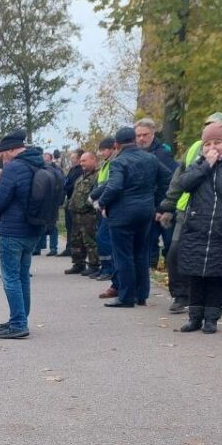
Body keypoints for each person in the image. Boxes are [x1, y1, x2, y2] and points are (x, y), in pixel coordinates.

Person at [158, 111, 222, 311]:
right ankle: (181, 296)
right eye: (207, 127)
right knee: (177, 253)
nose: (209, 134)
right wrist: (167, 207)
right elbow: (179, 181)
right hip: (190, 211)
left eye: (215, 127)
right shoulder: (196, 148)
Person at [97, 126, 169, 308]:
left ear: (116, 144)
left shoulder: (118, 162)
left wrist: (102, 202)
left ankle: (126, 296)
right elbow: (167, 177)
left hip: (122, 214)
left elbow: (114, 187)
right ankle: (142, 294)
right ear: (134, 140)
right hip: (146, 211)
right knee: (141, 253)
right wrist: (158, 201)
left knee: (123, 255)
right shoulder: (151, 158)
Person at [0, 128, 47, 339]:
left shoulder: (14, 168)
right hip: (33, 230)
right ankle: (19, 318)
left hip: (13, 231)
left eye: (2, 154)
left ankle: (19, 323)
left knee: (11, 278)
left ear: (12, 149)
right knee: (23, 276)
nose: (2, 158)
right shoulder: (39, 162)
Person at [134, 118, 179, 268]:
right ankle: (150, 272)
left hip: (163, 208)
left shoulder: (162, 154)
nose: (141, 138)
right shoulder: (135, 154)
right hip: (145, 207)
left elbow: (171, 182)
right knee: (148, 244)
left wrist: (163, 208)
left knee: (169, 242)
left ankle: (172, 273)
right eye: (138, 135)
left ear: (153, 133)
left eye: (145, 134)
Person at [64, 151, 100, 275]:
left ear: (93, 160)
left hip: (89, 214)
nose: (82, 163)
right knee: (76, 240)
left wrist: (87, 205)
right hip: (76, 214)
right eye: (81, 161)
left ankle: (94, 265)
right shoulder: (82, 176)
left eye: (84, 160)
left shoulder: (97, 175)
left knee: (89, 240)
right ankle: (78, 264)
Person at [88, 137, 118, 282]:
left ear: (113, 148)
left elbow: (109, 185)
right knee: (101, 237)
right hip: (102, 204)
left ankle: (109, 268)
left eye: (104, 150)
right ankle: (104, 267)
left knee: (103, 237)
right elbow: (101, 183)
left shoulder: (114, 163)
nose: (101, 153)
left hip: (108, 206)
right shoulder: (106, 164)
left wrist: (98, 199)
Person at [34, 152, 62, 255]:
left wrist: (58, 202)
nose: (44, 162)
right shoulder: (43, 170)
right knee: (41, 223)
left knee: (52, 225)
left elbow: (60, 187)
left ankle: (53, 248)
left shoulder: (56, 171)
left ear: (50, 160)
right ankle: (38, 247)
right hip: (44, 202)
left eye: (46, 160)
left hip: (52, 202)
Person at [62, 151, 82, 256]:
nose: (71, 160)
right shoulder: (72, 170)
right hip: (69, 199)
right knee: (68, 225)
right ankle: (68, 247)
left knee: (75, 227)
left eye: (73, 158)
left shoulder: (80, 171)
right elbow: (67, 181)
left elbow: (74, 184)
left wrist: (66, 187)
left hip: (75, 200)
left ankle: (74, 249)